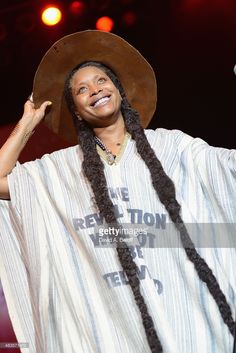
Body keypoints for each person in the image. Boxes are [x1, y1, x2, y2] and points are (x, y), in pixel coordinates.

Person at [0, 30, 235, 353]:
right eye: (81, 90)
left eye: (101, 81)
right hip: (110, 332)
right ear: (77, 111)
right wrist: (28, 123)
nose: (95, 90)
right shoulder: (60, 170)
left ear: (120, 91)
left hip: (189, 325)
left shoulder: (171, 146)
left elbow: (230, 170)